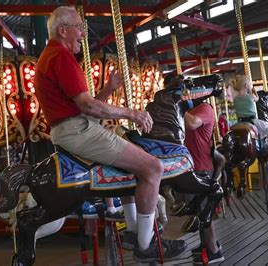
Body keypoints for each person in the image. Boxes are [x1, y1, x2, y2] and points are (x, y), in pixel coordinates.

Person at [35, 6, 183, 261]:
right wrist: (133, 113)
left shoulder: (53, 56)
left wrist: (108, 89)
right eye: (79, 28)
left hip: (76, 126)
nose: (82, 33)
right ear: (63, 30)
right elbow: (89, 107)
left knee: (134, 161)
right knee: (153, 168)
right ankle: (146, 246)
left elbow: (85, 107)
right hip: (77, 131)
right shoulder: (60, 57)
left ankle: (134, 229)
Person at [184, 103, 225, 264]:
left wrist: (178, 106)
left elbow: (192, 123)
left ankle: (214, 250)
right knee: (198, 210)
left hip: (202, 166)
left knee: (204, 211)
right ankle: (205, 244)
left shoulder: (205, 108)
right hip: (192, 165)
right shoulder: (191, 110)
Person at [232, 75, 268, 161]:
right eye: (249, 84)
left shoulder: (235, 99)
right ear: (246, 86)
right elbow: (257, 98)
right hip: (252, 120)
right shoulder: (250, 97)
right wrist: (253, 90)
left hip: (240, 122)